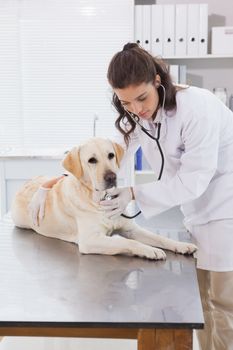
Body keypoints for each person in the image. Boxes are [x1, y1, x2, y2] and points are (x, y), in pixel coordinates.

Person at [29, 43, 233, 350]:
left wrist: (134, 193)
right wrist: (49, 185)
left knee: (224, 304)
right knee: (201, 304)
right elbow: (100, 160)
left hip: (226, 205)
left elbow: (195, 179)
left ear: (157, 82)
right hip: (197, 210)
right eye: (125, 102)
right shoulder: (138, 116)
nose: (137, 109)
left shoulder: (197, 108)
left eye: (142, 98)